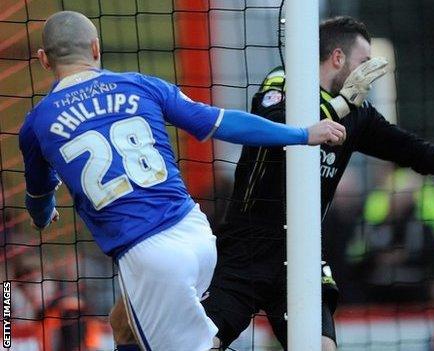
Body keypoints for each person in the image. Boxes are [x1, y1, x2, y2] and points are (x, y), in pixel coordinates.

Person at [111, 16, 434, 350]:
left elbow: (420, 154)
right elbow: (272, 124)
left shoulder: (359, 114)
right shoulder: (281, 84)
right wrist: (341, 105)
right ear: (338, 57)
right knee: (200, 345)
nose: (371, 72)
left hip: (301, 256)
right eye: (365, 61)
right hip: (245, 251)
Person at [19, 11, 345, 351]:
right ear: (96, 48)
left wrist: (44, 214)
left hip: (150, 257)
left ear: (43, 59)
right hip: (197, 234)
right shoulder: (142, 85)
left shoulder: (37, 123)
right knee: (124, 325)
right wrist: (301, 134)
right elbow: (223, 123)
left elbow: (38, 197)